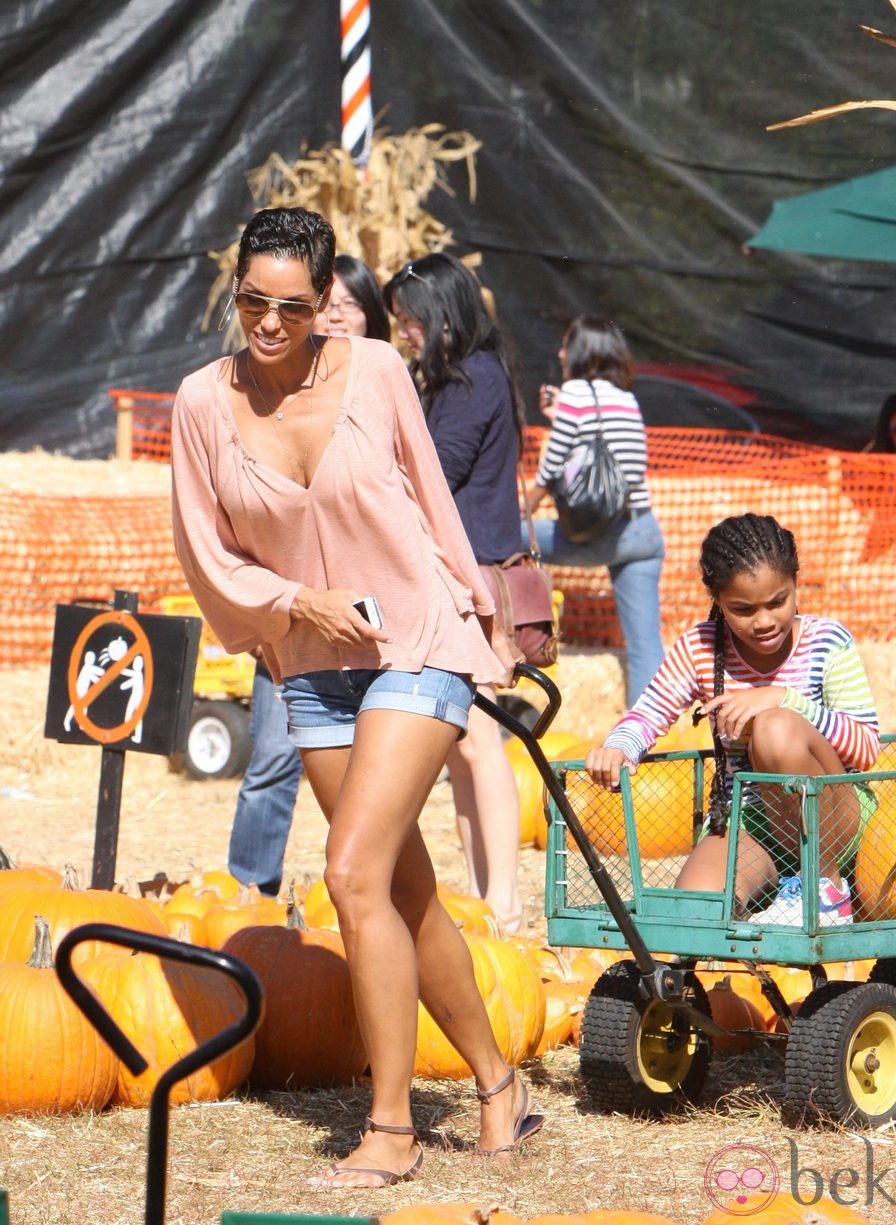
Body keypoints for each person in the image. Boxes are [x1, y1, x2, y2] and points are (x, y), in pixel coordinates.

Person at [171, 207, 541, 1187]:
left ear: (325, 301)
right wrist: (294, 601)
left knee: (348, 871)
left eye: (290, 306)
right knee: (401, 892)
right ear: (235, 289)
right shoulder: (203, 403)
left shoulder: (373, 371)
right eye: (251, 300)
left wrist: (482, 613)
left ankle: (389, 1126)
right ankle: (498, 1084)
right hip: (308, 661)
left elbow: (429, 498)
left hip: (412, 639)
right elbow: (207, 554)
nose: (267, 322)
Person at [585, 513, 880, 926]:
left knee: (775, 727)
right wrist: (620, 746)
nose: (763, 621)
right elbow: (649, 712)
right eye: (742, 609)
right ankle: (734, 992)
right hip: (751, 819)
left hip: (833, 816)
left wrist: (785, 699)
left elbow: (867, 748)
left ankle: (824, 889)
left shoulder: (826, 641)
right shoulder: (701, 648)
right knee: (695, 914)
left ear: (796, 582)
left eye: (778, 601)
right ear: (718, 600)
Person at [227, 255, 392, 898]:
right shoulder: (247, 397)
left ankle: (357, 892)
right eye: (328, 306)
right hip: (292, 622)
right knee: (271, 757)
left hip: (378, 621)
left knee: (372, 787)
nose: (334, 315)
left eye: (343, 304)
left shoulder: (378, 382)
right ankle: (249, 889)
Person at [383, 253, 525, 930]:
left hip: (474, 576)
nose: (403, 331)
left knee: (477, 740)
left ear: (442, 314)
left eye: (409, 318)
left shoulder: (474, 380)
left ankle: (506, 896)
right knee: (462, 742)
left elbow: (434, 472)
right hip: (455, 575)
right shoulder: (456, 379)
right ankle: (483, 893)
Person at [525, 315, 665, 707]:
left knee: (507, 538)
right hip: (642, 533)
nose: (560, 352)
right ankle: (651, 740)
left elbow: (552, 468)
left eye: (567, 344)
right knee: (645, 646)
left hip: (596, 535)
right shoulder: (627, 398)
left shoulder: (575, 393)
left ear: (583, 351)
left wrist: (522, 511)